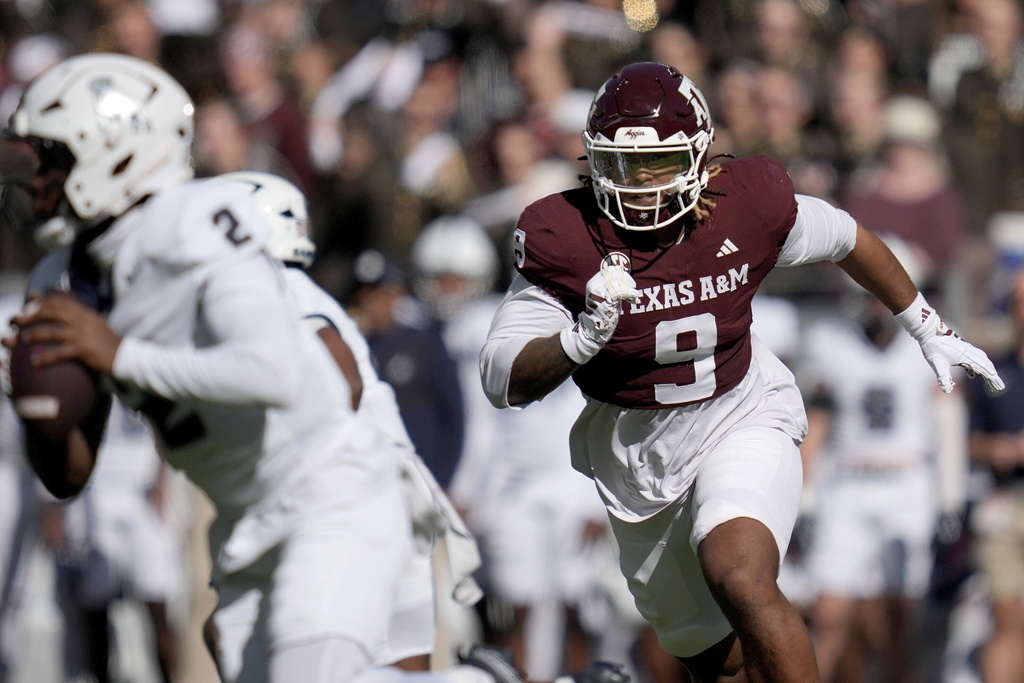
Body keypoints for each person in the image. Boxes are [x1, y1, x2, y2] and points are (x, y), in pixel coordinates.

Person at [0, 53, 621, 683]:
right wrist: (36, 405)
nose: (35, 179)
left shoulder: (191, 225)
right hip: (244, 516)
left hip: (332, 493)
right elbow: (68, 474)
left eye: (50, 158)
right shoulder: (62, 278)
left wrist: (116, 355)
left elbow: (273, 372)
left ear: (118, 152)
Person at [477, 61, 1004, 682]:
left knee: (741, 575)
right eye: (623, 166)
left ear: (700, 160)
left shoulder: (743, 203)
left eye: (661, 165)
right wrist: (579, 336)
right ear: (592, 162)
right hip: (636, 459)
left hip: (740, 415)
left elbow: (846, 236)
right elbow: (502, 377)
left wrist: (925, 325)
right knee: (714, 659)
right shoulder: (564, 234)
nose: (642, 186)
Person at [216, 170, 485, 672]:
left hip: (350, 501)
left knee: (265, 648)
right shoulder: (302, 293)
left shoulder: (283, 297)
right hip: (386, 495)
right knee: (399, 663)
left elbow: (343, 379)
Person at [799, 235, 969, 683]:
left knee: (896, 620)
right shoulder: (830, 344)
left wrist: (951, 496)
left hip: (907, 484)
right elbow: (817, 425)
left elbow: (948, 423)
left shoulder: (929, 345)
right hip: (848, 483)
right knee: (829, 609)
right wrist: (809, 495)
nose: (877, 304)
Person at [965, 267, 1024, 683]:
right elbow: (968, 441)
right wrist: (997, 449)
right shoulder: (994, 374)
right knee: (1006, 620)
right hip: (1006, 502)